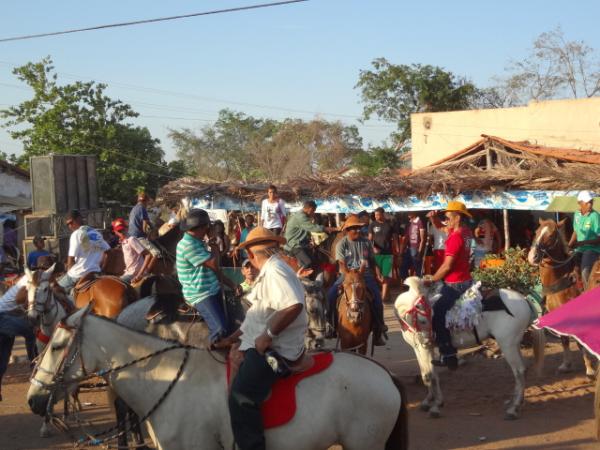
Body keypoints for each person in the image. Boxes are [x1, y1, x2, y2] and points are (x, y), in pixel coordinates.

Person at [229, 226, 308, 450]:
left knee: (240, 397)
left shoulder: (274, 271)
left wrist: (268, 335)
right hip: (262, 339)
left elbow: (293, 305)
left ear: (251, 255)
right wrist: (232, 337)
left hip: (278, 347)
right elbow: (257, 315)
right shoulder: (272, 270)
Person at [176, 209, 242, 347]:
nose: (209, 229)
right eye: (207, 226)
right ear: (201, 228)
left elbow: (214, 271)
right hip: (200, 294)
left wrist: (232, 284)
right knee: (221, 328)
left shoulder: (198, 242)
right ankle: (214, 348)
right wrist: (214, 244)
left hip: (212, 288)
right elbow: (214, 264)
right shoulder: (187, 245)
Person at [424, 201, 473, 370]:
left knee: (437, 313)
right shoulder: (465, 232)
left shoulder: (456, 237)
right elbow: (442, 228)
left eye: (447, 217)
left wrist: (432, 279)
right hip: (467, 280)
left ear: (457, 217)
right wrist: (434, 219)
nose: (446, 220)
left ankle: (448, 354)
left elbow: (447, 266)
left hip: (455, 284)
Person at [326, 214, 387, 346]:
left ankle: (378, 329)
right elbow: (341, 265)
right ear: (347, 230)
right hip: (346, 275)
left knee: (377, 298)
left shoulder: (366, 242)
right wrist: (350, 275)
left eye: (359, 228)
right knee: (330, 295)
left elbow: (372, 260)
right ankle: (330, 326)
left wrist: (378, 273)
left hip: (365, 275)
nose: (358, 231)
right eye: (354, 228)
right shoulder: (341, 244)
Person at [57, 210, 110, 294]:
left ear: (78, 219)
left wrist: (69, 272)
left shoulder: (76, 234)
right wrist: (101, 268)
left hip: (79, 273)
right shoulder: (95, 233)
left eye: (71, 222)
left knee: (54, 290)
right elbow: (107, 252)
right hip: (95, 272)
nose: (70, 226)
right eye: (68, 225)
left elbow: (71, 258)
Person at [284, 200, 336, 270]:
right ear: (310, 209)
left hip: (301, 243)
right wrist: (333, 229)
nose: (314, 213)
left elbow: (306, 230)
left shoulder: (303, 215)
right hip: (294, 244)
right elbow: (313, 228)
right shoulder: (300, 216)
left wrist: (310, 241)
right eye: (313, 211)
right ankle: (300, 278)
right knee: (307, 262)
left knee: (315, 261)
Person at [568, 191, 600, 289]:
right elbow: (576, 231)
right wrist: (569, 245)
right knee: (567, 266)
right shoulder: (577, 214)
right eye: (587, 202)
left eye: (591, 202)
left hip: (592, 249)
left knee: (584, 271)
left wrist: (583, 243)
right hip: (579, 249)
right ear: (580, 203)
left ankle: (588, 295)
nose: (590, 205)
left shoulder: (595, 216)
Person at [368, 207, 398, 303]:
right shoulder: (372, 225)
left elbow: (395, 238)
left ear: (383, 214)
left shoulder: (390, 224)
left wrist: (397, 249)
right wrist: (372, 248)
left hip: (388, 253)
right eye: (375, 215)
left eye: (378, 215)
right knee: (379, 277)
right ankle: (386, 293)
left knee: (386, 275)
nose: (376, 217)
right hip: (376, 254)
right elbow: (370, 239)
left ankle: (383, 298)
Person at [111, 218, 156, 283]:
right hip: (128, 272)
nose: (122, 232)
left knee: (116, 283)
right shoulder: (124, 241)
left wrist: (139, 275)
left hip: (134, 274)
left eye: (123, 229)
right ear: (115, 232)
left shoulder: (131, 240)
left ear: (127, 228)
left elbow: (148, 255)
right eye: (119, 231)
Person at [128, 192, 161, 262]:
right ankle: (146, 271)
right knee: (157, 253)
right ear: (146, 201)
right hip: (138, 237)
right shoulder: (142, 208)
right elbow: (144, 227)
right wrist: (150, 233)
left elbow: (147, 222)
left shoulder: (134, 208)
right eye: (147, 202)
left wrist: (152, 227)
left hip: (131, 236)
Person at [401, 212, 426, 277]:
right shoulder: (409, 223)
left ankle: (420, 284)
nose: (408, 213)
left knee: (417, 268)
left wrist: (420, 252)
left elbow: (422, 239)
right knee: (403, 267)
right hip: (408, 248)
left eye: (410, 212)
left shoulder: (420, 222)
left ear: (414, 212)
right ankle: (406, 284)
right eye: (407, 212)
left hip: (416, 249)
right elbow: (406, 238)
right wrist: (402, 250)